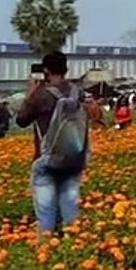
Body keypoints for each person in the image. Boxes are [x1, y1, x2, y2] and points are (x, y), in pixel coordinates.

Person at [15, 52, 88, 233]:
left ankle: (47, 245)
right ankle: (74, 243)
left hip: (47, 158)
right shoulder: (76, 92)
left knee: (46, 215)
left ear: (46, 70)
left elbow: (21, 120)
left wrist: (30, 94)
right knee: (71, 213)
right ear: (66, 69)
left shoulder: (41, 95)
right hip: (73, 157)